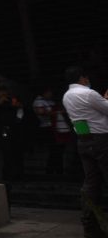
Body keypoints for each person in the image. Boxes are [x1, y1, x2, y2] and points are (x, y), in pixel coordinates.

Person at [61, 65, 108, 238]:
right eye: (86, 77)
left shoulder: (67, 96)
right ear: (82, 78)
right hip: (101, 141)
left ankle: (90, 224)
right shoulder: (89, 93)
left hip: (83, 141)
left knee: (91, 183)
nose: (88, 80)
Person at [0, 85, 24, 181]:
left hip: (15, 129)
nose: (3, 94)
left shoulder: (11, 100)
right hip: (2, 130)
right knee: (7, 153)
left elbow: (20, 110)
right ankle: (8, 176)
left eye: (4, 91)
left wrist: (17, 106)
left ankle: (19, 174)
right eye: (0, 92)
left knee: (17, 151)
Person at [32, 87, 63, 175]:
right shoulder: (39, 101)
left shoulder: (49, 101)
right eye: (49, 92)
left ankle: (57, 169)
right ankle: (51, 170)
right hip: (47, 128)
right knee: (53, 150)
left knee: (57, 150)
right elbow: (41, 112)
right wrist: (57, 113)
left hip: (55, 127)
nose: (51, 94)